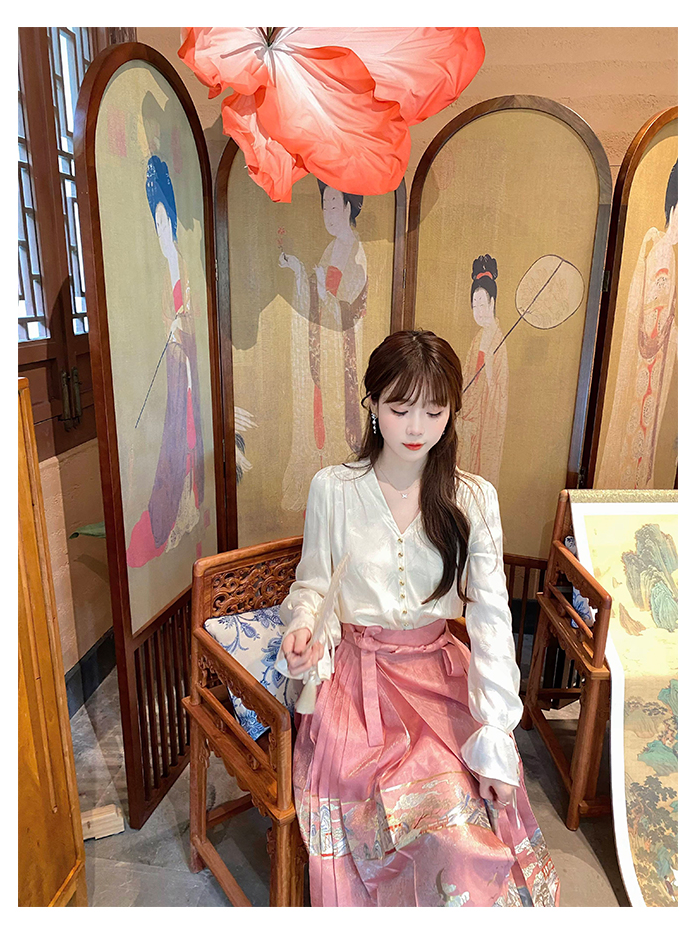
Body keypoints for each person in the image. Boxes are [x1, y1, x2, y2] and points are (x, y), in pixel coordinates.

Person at [275, 329, 559, 907]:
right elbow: (314, 584)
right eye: (400, 408)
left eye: (434, 411)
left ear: (451, 413)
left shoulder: (472, 498)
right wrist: (305, 630)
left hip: (440, 677)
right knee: (392, 815)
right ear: (373, 404)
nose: (416, 428)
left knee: (464, 818)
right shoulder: (335, 488)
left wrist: (496, 732)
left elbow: (491, 617)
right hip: (358, 683)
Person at [126, 155, 204, 567]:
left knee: (191, 437)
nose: (160, 230)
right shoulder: (158, 273)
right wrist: (170, 329)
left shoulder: (185, 266)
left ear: (172, 219)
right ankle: (172, 517)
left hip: (189, 371)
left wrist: (182, 327)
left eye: (164, 220)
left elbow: (195, 320)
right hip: (172, 374)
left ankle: (190, 511)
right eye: (154, 222)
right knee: (174, 442)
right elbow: (154, 323)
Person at [278, 181, 368, 512]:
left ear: (348, 207)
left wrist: (322, 294)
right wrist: (299, 271)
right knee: (317, 414)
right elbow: (318, 296)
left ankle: (339, 496)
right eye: (324, 206)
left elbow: (350, 310)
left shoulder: (357, 253)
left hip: (342, 355)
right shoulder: (332, 249)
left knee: (336, 417)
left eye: (334, 205)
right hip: (324, 350)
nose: (328, 213)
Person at [595, 161, 678, 489]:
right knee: (636, 444)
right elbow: (648, 331)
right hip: (645, 376)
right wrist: (669, 326)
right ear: (673, 207)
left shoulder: (670, 253)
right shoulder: (661, 253)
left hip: (656, 375)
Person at [458, 255, 508, 488]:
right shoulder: (478, 338)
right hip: (469, 415)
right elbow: (467, 378)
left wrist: (488, 370)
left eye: (482, 304)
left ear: (492, 302)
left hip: (485, 421)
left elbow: (500, 396)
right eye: (474, 306)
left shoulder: (499, 342)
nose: (478, 311)